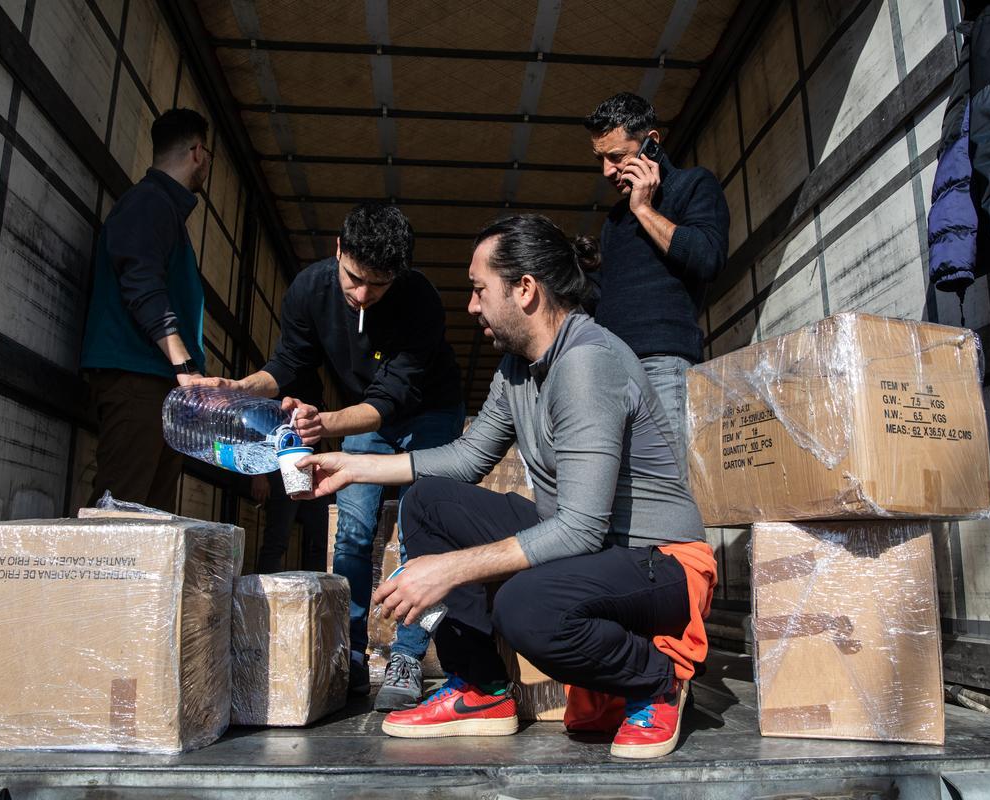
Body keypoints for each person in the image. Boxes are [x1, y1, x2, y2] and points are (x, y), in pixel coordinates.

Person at [295, 215, 717, 759]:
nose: (471, 306)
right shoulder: (516, 369)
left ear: (524, 290)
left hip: (660, 564)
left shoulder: (587, 363)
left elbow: (583, 527)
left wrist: (448, 569)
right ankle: (481, 688)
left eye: (478, 289)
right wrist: (351, 468)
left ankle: (658, 681)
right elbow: (468, 458)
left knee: (526, 607)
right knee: (426, 504)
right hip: (588, 549)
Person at [194, 203, 464, 710]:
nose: (362, 294)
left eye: (377, 286)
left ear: (399, 275)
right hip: (359, 414)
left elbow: (393, 398)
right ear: (337, 250)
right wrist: (242, 387)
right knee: (353, 534)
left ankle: (407, 656)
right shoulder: (310, 288)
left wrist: (326, 423)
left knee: (420, 533)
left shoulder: (421, 301)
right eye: (354, 278)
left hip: (427, 413)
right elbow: (290, 362)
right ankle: (351, 655)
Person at [585, 92, 729, 477]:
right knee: (617, 488)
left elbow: (707, 257)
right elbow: (602, 298)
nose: (606, 170)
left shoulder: (694, 186)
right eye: (600, 159)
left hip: (661, 366)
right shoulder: (614, 223)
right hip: (610, 371)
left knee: (666, 483)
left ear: (652, 142)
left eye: (616, 156)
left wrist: (644, 209)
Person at [80, 108, 212, 512]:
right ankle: (90, 578)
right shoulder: (148, 203)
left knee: (150, 521)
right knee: (120, 512)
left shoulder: (164, 210)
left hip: (160, 386)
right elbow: (143, 286)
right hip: (139, 380)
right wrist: (185, 365)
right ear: (197, 152)